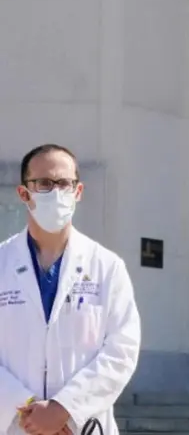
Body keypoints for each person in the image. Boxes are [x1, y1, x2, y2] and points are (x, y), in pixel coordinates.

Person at [0, 144, 141, 435]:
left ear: (77, 192)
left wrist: (64, 408)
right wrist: (25, 406)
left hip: (81, 426)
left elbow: (121, 350)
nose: (55, 192)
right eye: (44, 183)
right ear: (24, 194)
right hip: (15, 424)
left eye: (64, 183)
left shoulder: (107, 267)